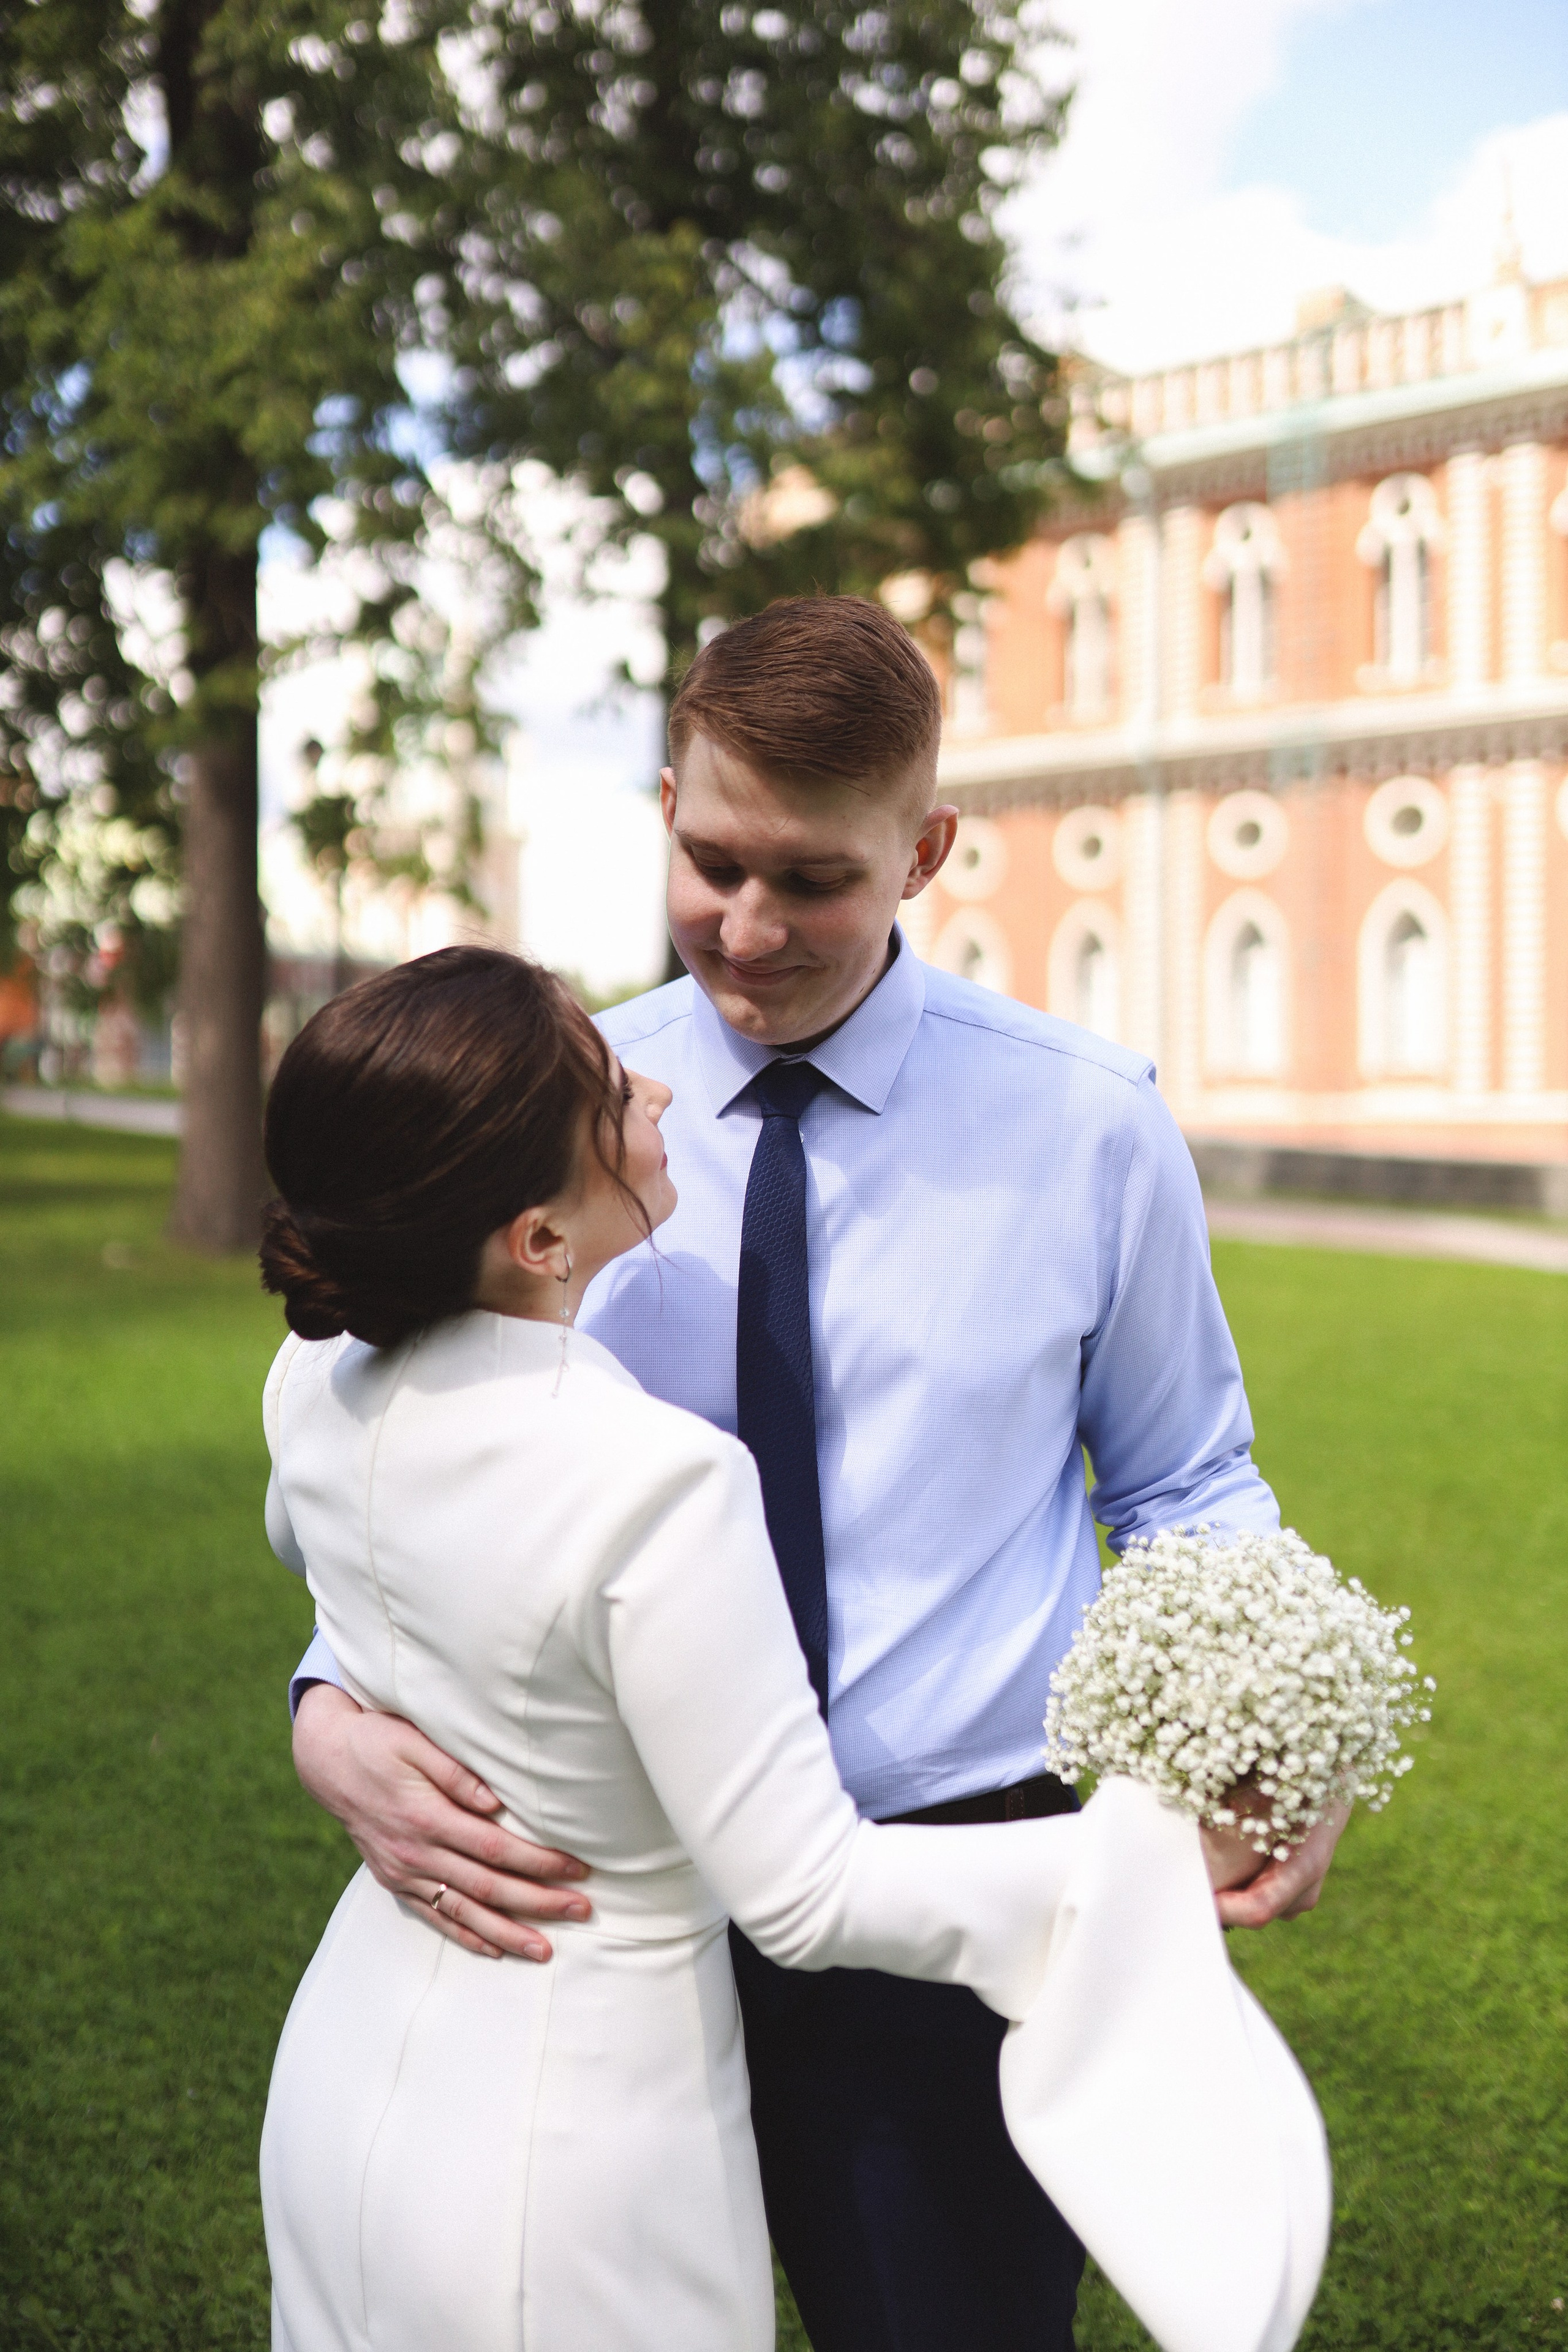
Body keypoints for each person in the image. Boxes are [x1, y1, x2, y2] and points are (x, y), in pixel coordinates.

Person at [290, 596, 1346, 2352]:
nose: (750, 928)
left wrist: (1271, 1723)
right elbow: (386, 1428)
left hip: (954, 1906)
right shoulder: (540, 1111)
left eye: (816, 880)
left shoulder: (1092, 1127)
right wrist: (330, 1698)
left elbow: (1185, 1481)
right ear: (665, 804)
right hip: (592, 1912)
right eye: (713, 861)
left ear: (924, 850)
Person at [258, 948, 1118, 2351]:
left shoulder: (310, 1380)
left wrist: (330, 1702)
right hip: (577, 2141)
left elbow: (341, 1565)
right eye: (610, 1094)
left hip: (356, 2069)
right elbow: (806, 1893)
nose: (657, 1082)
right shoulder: (657, 1481)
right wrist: (1127, 1860)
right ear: (538, 1240)